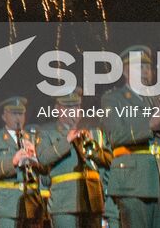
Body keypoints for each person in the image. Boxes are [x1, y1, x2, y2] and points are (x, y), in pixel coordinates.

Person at [102, 47, 160, 228]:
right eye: (139, 67)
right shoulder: (113, 99)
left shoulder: (157, 99)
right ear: (126, 72)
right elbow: (115, 136)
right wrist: (149, 125)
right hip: (133, 180)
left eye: (148, 68)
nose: (146, 72)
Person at [33, 91, 106, 228]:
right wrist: (67, 140)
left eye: (76, 106)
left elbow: (106, 161)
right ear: (57, 109)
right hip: (65, 202)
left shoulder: (93, 130)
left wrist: (94, 148)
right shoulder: (46, 131)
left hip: (92, 200)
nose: (73, 111)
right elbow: (43, 158)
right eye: (68, 107)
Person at [0, 98, 44, 228]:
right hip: (6, 204)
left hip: (31, 203)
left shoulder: (32, 137)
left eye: (21, 114)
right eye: (14, 114)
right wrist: (13, 161)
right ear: (4, 116)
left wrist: (37, 158)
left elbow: (46, 171)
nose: (18, 118)